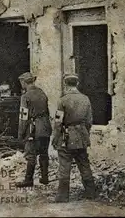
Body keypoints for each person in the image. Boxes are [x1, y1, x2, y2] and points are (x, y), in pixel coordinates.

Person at [52, 74, 96, 203]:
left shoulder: (63, 100)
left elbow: (58, 122)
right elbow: (89, 121)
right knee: (84, 164)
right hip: (81, 136)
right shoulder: (85, 99)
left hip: (66, 137)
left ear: (65, 84)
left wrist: (56, 138)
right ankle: (91, 193)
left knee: (64, 166)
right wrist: (84, 133)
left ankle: (62, 196)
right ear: (77, 84)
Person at [15, 72, 52, 187]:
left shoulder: (25, 97)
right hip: (45, 127)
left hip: (33, 129)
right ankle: (45, 177)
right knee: (44, 153)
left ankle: (28, 180)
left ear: (23, 82)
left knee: (31, 154)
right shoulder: (42, 93)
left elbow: (23, 117)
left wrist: (20, 134)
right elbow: (47, 111)